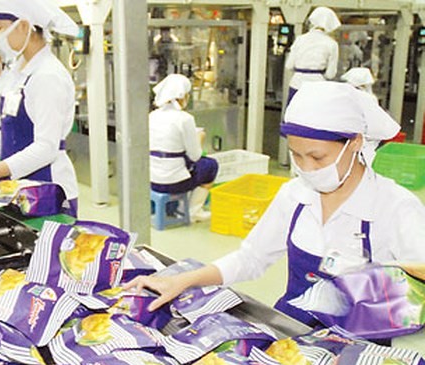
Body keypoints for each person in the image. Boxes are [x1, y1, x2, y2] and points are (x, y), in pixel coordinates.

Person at [126, 81, 425, 327]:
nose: (307, 167)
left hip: (360, 348)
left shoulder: (394, 207)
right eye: (297, 155)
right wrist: (183, 280)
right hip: (292, 331)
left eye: (317, 157)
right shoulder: (295, 194)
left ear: (356, 142)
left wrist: (384, 277)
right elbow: (251, 258)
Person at [0, 0, 80, 217]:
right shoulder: (19, 72)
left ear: (23, 26)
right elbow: (17, 131)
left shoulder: (47, 76)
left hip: (48, 190)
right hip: (22, 188)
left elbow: (46, 147)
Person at [149, 74, 219, 222]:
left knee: (182, 163)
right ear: (182, 97)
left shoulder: (152, 116)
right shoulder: (185, 119)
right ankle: (193, 211)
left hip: (151, 179)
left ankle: (180, 205)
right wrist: (199, 138)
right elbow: (195, 156)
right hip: (173, 183)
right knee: (210, 165)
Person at [285, 6, 341, 106]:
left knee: (292, 116)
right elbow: (330, 74)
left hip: (296, 83)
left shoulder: (300, 39)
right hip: (317, 86)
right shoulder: (332, 44)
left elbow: (289, 65)